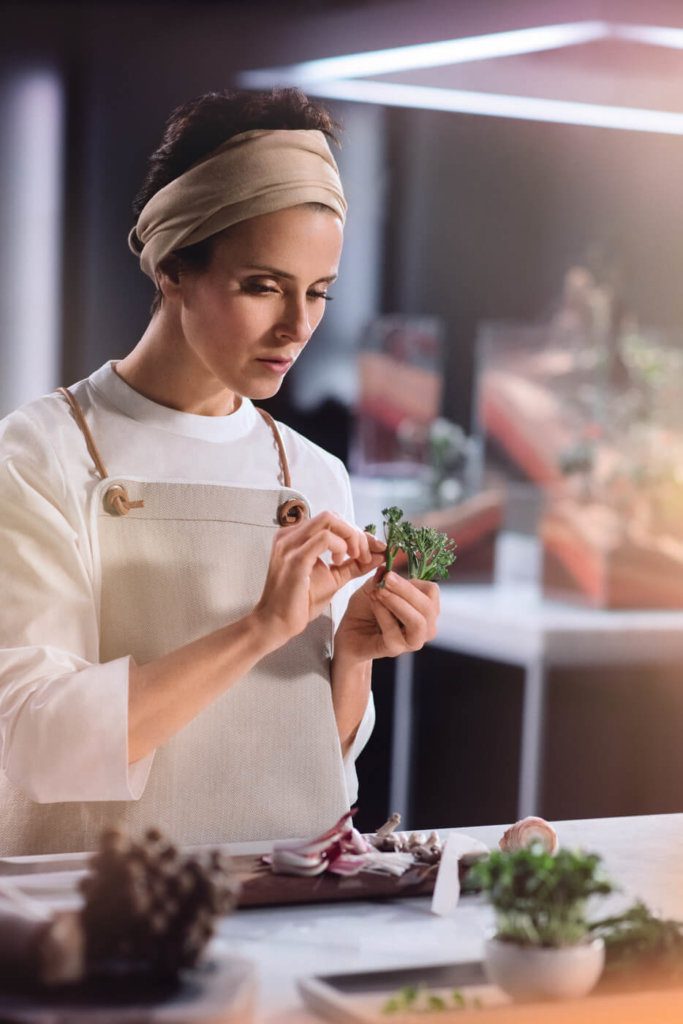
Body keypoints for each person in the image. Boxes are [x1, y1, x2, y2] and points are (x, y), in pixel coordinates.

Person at [0, 88, 439, 856]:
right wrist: (259, 630)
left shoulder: (311, 473)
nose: (297, 326)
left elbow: (318, 771)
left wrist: (354, 658)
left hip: (282, 907)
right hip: (94, 919)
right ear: (173, 267)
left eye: (318, 292)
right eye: (262, 286)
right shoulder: (39, 457)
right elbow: (34, 743)